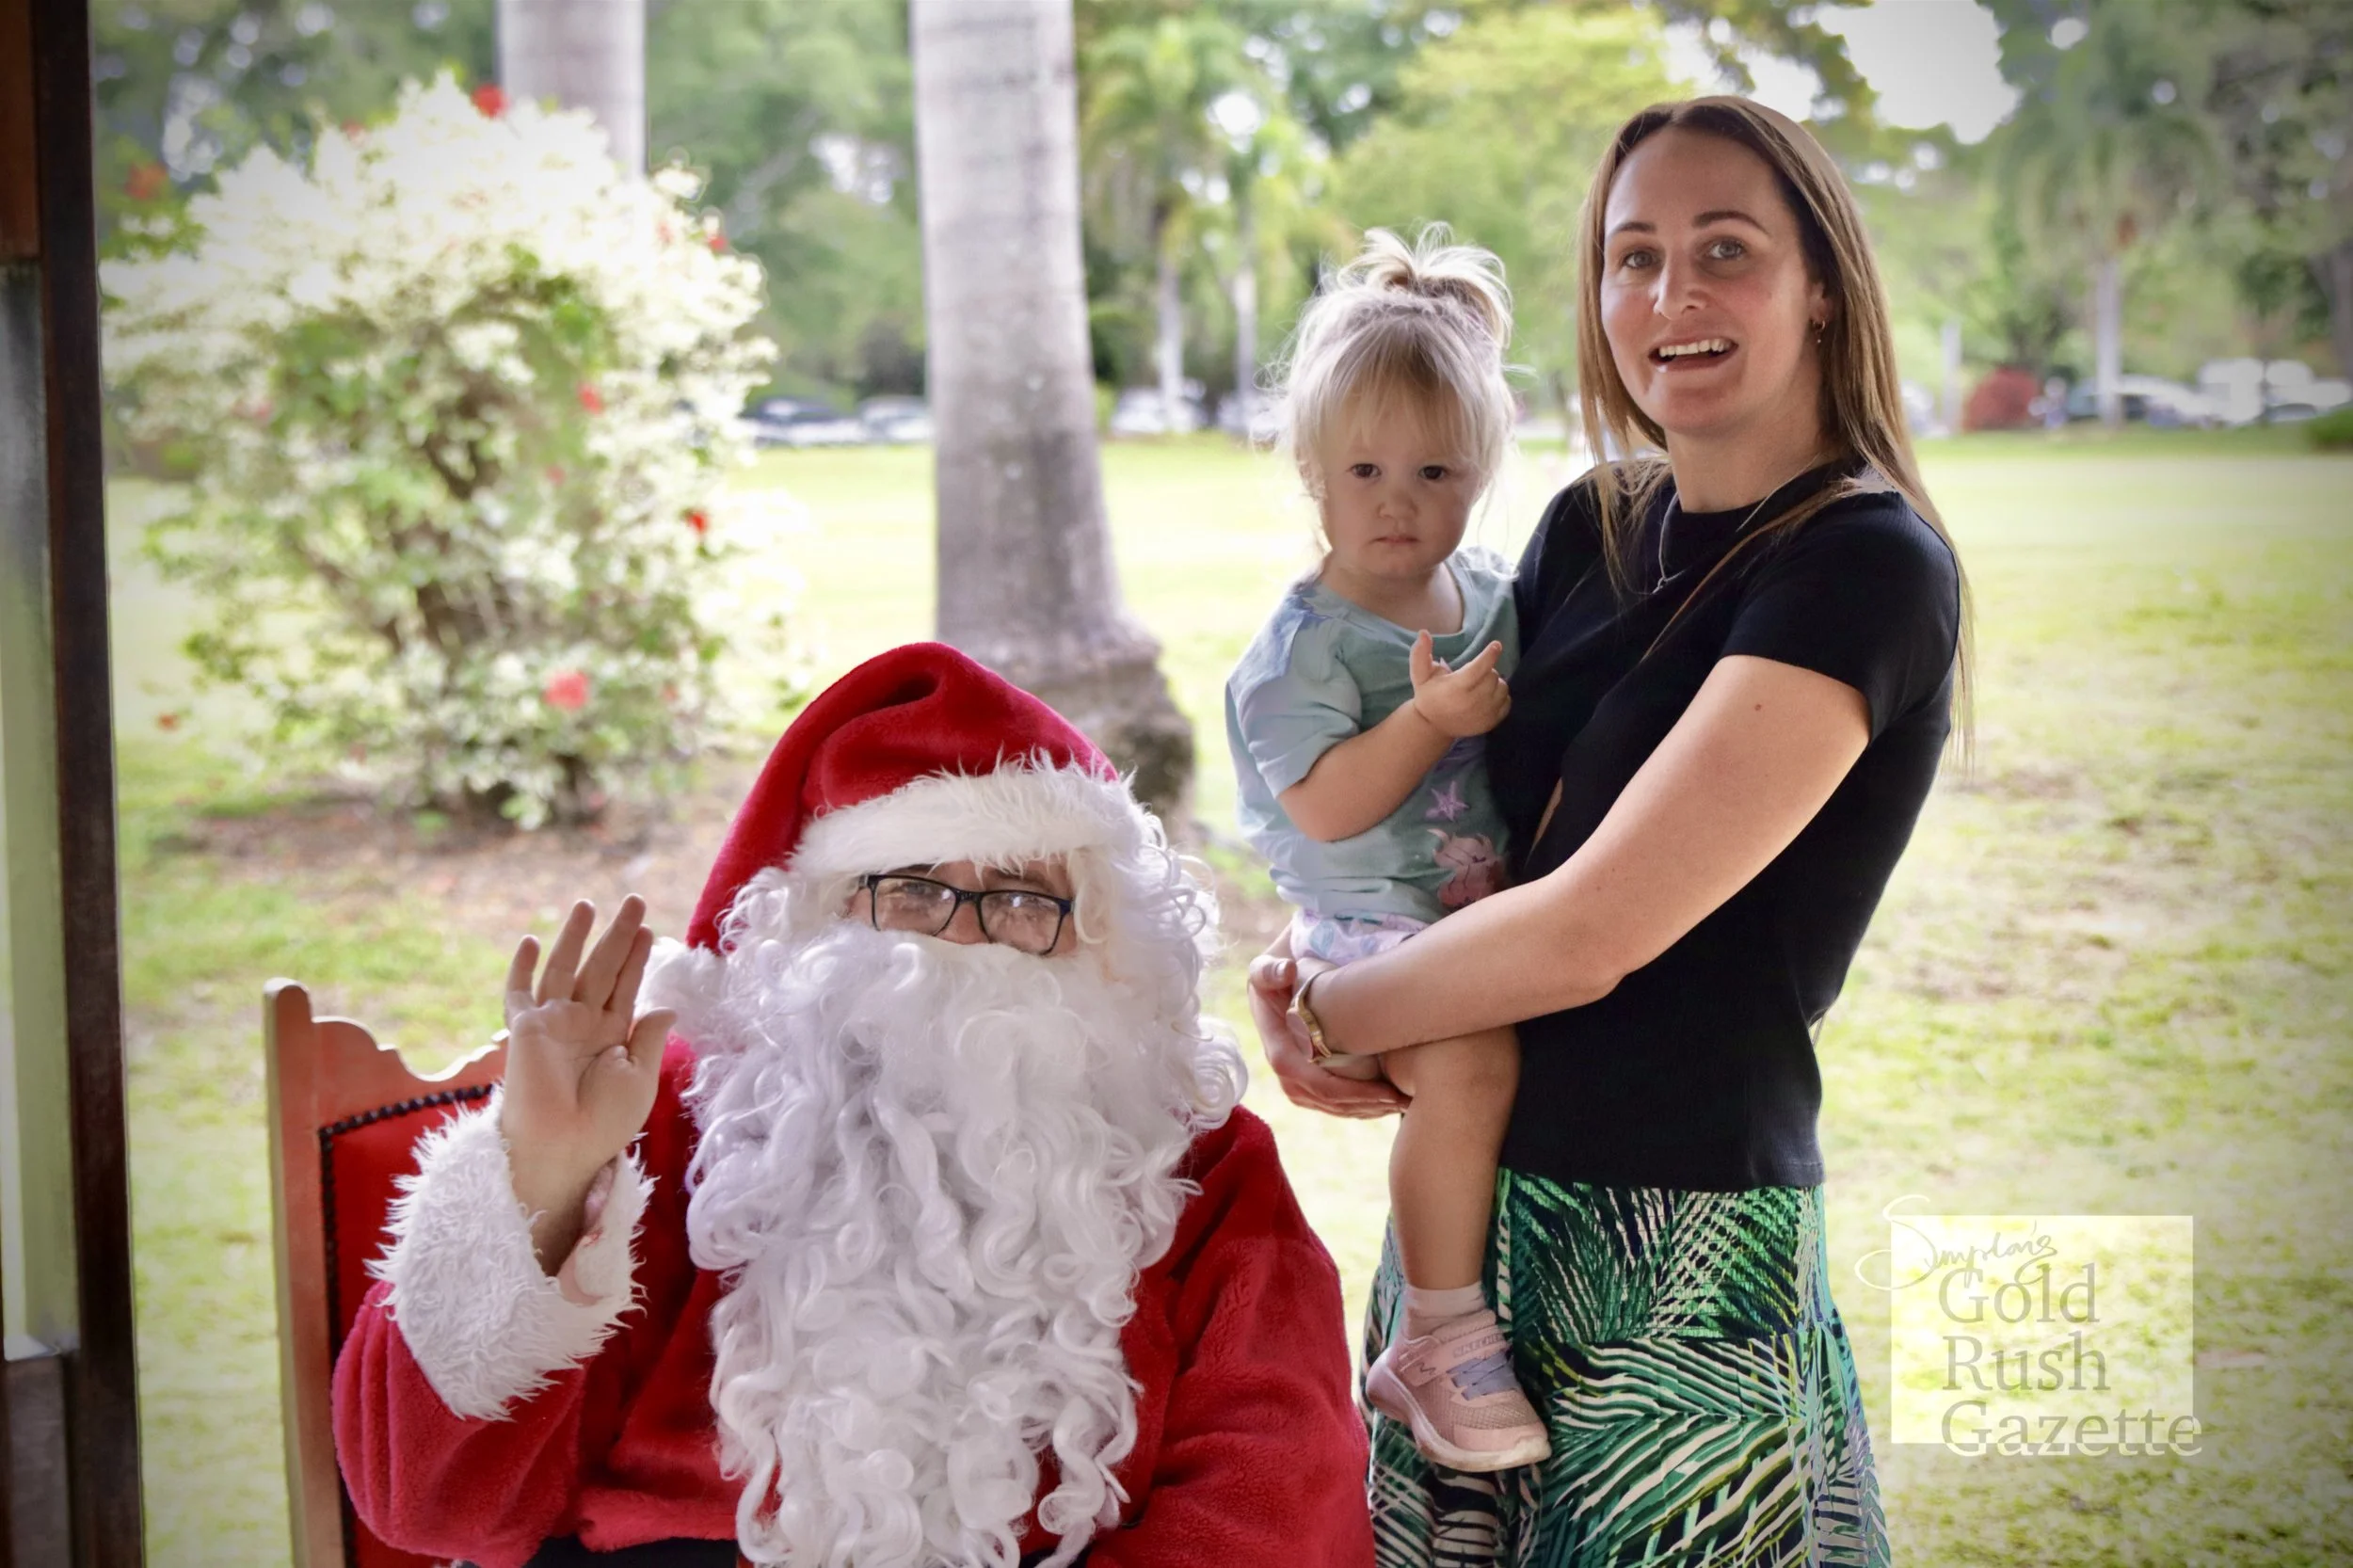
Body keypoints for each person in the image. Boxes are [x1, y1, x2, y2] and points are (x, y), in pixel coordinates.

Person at [1251, 98, 1967, 1565]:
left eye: (1725, 250)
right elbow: (1468, 824)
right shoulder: (1592, 526)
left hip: (1679, 1252)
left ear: (1822, 282)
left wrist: (1341, 1012)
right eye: (1633, 257)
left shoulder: (1864, 566)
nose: (1671, 296)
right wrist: (1322, 944)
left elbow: (1590, 931)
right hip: (1471, 1236)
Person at [332, 642, 1375, 1568]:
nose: (960, 939)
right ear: (815, 918)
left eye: (1021, 896)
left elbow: (1276, 1504)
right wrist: (538, 1182)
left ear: (1104, 939)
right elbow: (432, 1508)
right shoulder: (675, 1119)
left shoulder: (1195, 1162)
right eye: (911, 890)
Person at [1224, 226, 1545, 1473]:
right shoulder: (1307, 651)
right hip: (1365, 932)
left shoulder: (1491, 590)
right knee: (1466, 1057)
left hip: (1473, 911)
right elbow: (1326, 809)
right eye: (1364, 469)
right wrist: (1424, 718)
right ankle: (1437, 1330)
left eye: (1436, 469)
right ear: (1310, 469)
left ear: (1484, 468)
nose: (1400, 502)